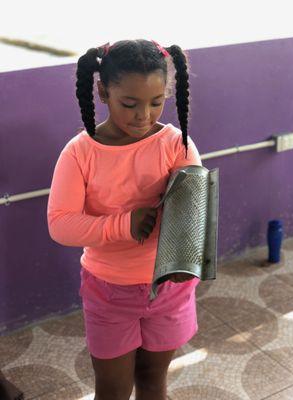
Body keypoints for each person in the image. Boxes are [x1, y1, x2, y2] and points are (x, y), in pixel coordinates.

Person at [47, 39, 203, 400]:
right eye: (129, 104)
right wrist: (123, 225)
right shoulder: (80, 152)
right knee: (113, 391)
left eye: (156, 102)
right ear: (103, 91)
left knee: (153, 381)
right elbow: (60, 223)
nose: (143, 116)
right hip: (109, 291)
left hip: (169, 290)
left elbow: (194, 209)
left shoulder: (176, 143)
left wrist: (187, 257)